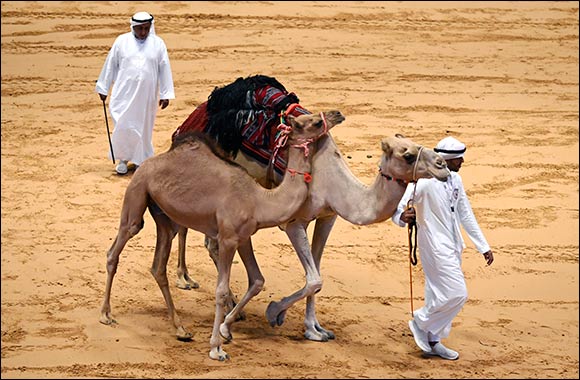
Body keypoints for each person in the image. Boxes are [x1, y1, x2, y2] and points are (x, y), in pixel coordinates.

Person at [391, 136, 494, 360]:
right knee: (458, 293)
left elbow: (466, 214)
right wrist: (402, 217)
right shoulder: (424, 181)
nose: (462, 161)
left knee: (437, 292)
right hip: (433, 245)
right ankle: (421, 321)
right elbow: (399, 208)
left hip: (454, 244)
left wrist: (483, 245)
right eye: (459, 159)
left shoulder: (456, 180)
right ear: (447, 160)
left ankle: (434, 340)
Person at [95, 11, 175, 175]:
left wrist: (166, 94)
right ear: (133, 27)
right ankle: (123, 159)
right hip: (123, 94)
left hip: (146, 96)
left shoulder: (158, 44)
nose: (143, 32)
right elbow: (110, 65)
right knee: (123, 124)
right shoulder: (121, 42)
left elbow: (164, 68)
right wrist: (103, 87)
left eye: (146, 28)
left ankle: (141, 161)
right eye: (140, 29)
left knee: (144, 128)